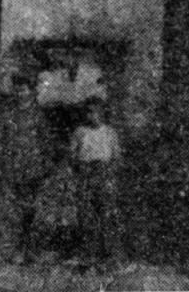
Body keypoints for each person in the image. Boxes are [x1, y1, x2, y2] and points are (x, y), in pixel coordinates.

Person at [0, 72, 52, 264]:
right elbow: (3, 139)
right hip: (13, 166)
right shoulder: (10, 114)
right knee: (15, 210)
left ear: (31, 92)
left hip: (33, 167)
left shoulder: (38, 115)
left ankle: (30, 250)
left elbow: (45, 141)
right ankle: (17, 249)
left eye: (23, 90)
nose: (20, 94)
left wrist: (45, 164)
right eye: (17, 90)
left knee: (32, 210)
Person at [71, 98, 123, 268]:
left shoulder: (110, 133)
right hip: (86, 175)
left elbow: (116, 157)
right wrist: (80, 169)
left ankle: (107, 257)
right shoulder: (80, 132)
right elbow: (72, 155)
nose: (91, 115)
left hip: (104, 175)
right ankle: (87, 256)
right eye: (88, 112)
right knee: (86, 216)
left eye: (95, 112)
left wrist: (108, 174)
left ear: (102, 113)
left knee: (106, 216)